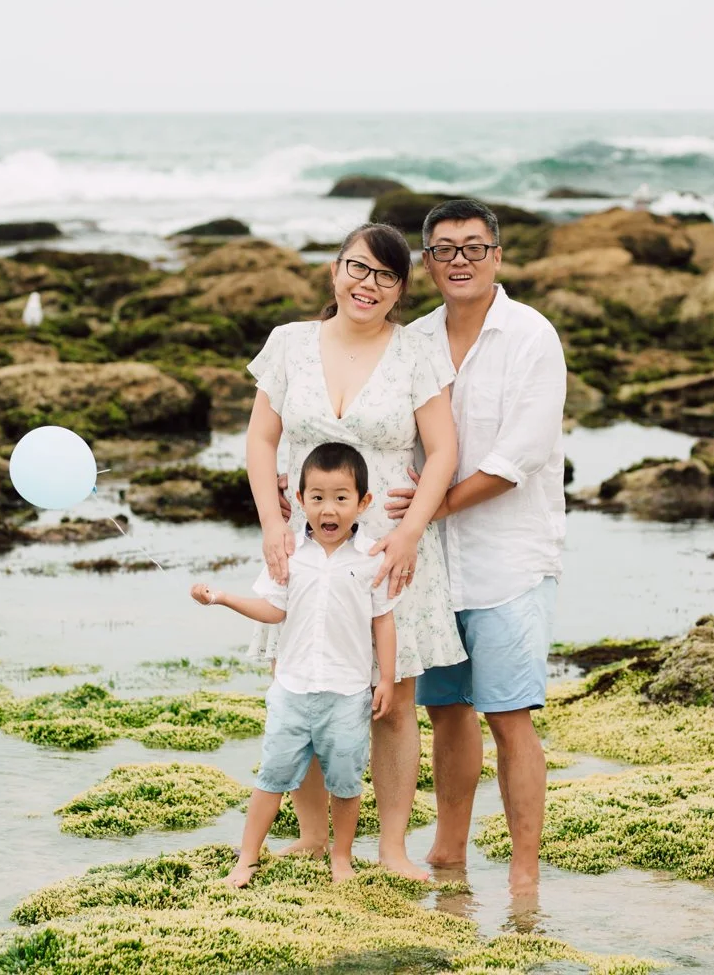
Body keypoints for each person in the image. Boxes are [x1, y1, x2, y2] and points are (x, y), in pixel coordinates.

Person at [243, 221, 464, 881]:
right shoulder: (288, 345)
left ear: (400, 290)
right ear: (334, 271)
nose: (369, 285)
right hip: (304, 540)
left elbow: (444, 449)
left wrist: (411, 531)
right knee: (307, 686)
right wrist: (271, 526)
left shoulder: (415, 351)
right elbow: (260, 441)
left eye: (386, 277)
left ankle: (391, 848)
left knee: (393, 701)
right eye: (358, 269)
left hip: (390, 548)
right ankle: (313, 836)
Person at [389, 198, 567, 898]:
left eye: (472, 247)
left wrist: (428, 509)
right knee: (447, 712)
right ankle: (448, 850)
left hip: (510, 560)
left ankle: (524, 875)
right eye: (443, 249)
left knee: (509, 716)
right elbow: (389, 439)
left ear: (497, 254)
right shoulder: (414, 341)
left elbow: (517, 455)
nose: (458, 260)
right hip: (431, 565)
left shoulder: (531, 336)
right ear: (425, 262)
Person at [191, 442, 398, 887]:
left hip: (347, 694)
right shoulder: (290, 557)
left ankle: (340, 857)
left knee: (345, 780)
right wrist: (223, 598)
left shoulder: (370, 559)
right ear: (300, 501)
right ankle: (247, 857)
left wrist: (388, 680)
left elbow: (383, 622)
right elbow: (273, 611)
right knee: (272, 774)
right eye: (318, 497)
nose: (329, 508)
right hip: (292, 690)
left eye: (342, 498)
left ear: (363, 502)